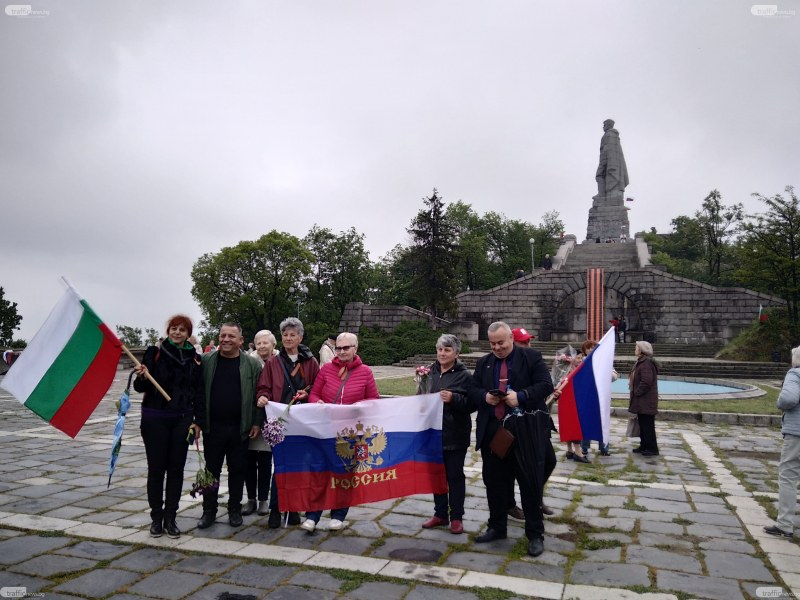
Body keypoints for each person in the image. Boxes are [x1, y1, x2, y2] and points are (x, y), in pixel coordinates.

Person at [469, 321, 555, 557]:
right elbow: (473, 389)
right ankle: (497, 527)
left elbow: (545, 385)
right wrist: (485, 397)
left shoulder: (531, 357)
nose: (497, 348)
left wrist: (522, 396)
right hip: (494, 432)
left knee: (530, 483)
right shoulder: (484, 363)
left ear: (511, 339)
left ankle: (535, 534)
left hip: (525, 431)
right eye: (493, 344)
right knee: (494, 482)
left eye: (501, 343)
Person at [134, 315, 204, 539]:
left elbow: (198, 392)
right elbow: (139, 388)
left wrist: (198, 421)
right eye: (174, 328)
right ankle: (156, 517)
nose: (177, 333)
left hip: (182, 419)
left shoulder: (195, 359)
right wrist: (142, 376)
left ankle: (170, 517)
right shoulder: (154, 353)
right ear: (168, 331)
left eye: (182, 330)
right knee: (156, 470)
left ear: (188, 334)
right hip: (155, 418)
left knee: (176, 470)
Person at [302, 332, 379, 532]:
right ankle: (312, 515)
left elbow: (374, 399)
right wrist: (317, 402)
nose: (342, 351)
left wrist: (360, 405)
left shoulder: (365, 372)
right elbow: (314, 394)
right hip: (325, 430)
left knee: (344, 474)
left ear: (355, 348)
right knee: (319, 473)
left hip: (351, 433)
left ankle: (338, 515)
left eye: (346, 348)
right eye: (339, 348)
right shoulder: (326, 370)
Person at [197, 323, 263, 529]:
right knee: (211, 471)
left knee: (237, 470)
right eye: (223, 335)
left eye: (231, 336)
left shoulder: (252, 365)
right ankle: (209, 510)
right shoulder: (206, 361)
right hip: (212, 427)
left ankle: (234, 509)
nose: (226, 339)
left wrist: (256, 422)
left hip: (240, 428)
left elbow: (259, 395)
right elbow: (196, 391)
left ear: (241, 341)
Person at [256, 317, 320, 528]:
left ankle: (293, 509)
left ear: (300, 337)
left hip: (302, 421)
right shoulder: (273, 362)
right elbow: (264, 386)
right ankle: (276, 508)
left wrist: (308, 393)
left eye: (293, 335)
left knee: (299, 466)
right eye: (285, 335)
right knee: (281, 465)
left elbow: (317, 386)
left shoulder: (311, 362)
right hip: (279, 420)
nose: (288, 338)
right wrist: (263, 397)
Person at [419, 334, 476, 535]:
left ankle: (457, 517)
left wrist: (454, 398)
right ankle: (440, 513)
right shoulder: (428, 372)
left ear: (456, 353)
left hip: (455, 434)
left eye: (447, 350)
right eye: (440, 349)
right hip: (432, 433)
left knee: (455, 476)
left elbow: (472, 404)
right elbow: (421, 396)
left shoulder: (465, 376)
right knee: (437, 475)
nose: (442, 353)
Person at [511, 327, 553, 517]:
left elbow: (545, 385)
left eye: (529, 341)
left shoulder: (534, 358)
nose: (528, 344)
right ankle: (510, 503)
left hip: (536, 421)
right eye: (523, 342)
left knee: (549, 461)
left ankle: (536, 497)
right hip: (515, 421)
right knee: (511, 467)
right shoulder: (506, 363)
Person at [763, 345, 800, 538]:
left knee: (788, 476)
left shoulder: (795, 373)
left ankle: (785, 524)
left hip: (797, 433)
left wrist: (780, 403)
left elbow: (788, 399)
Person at [242, 329, 279, 517]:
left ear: (273, 344)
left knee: (265, 461)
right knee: (249, 461)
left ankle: (263, 499)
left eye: (266, 342)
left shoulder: (280, 362)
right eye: (259, 343)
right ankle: (251, 499)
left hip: (270, 419)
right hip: (251, 418)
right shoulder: (248, 361)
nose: (262, 346)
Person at [579, 340, 616, 457]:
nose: (591, 349)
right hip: (586, 397)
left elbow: (614, 376)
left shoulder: (603, 360)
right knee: (586, 422)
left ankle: (604, 447)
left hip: (601, 397)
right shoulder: (581, 362)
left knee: (602, 422)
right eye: (588, 348)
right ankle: (584, 447)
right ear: (584, 350)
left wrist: (606, 373)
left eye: (593, 347)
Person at [629, 341, 659, 457]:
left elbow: (646, 381)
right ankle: (644, 445)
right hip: (642, 401)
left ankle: (652, 448)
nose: (635, 349)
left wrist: (637, 392)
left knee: (648, 425)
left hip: (646, 400)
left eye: (636, 348)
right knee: (642, 424)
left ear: (641, 350)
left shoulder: (646, 363)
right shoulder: (642, 362)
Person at [594, 118, 629, 199]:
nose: (603, 127)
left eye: (604, 125)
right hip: (609, 160)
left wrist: (607, 163)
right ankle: (603, 194)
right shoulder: (614, 135)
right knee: (601, 176)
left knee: (599, 175)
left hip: (606, 160)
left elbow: (608, 150)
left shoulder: (608, 135)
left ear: (609, 125)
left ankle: (601, 194)